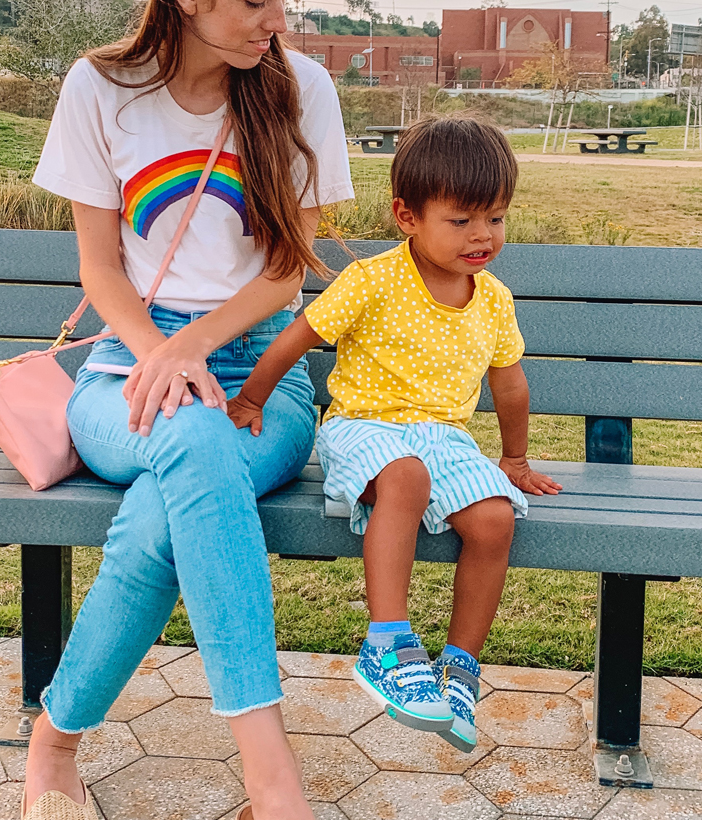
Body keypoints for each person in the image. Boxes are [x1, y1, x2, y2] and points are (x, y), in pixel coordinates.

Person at [22, 0, 363, 820]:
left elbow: (289, 268)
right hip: (122, 366)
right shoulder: (101, 88)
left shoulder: (299, 86)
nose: (279, 20)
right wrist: (156, 353)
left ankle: (55, 745)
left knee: (191, 465)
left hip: (256, 379)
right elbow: (97, 267)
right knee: (185, 440)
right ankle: (277, 810)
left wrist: (195, 352)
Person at [228, 115, 563, 753]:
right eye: (460, 220)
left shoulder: (492, 299)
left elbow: (510, 384)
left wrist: (514, 459)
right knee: (405, 477)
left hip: (447, 438)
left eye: (495, 217)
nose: (482, 236)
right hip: (365, 427)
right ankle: (387, 643)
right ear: (407, 216)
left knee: (494, 518)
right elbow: (297, 335)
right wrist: (250, 398)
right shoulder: (374, 281)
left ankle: (460, 667)